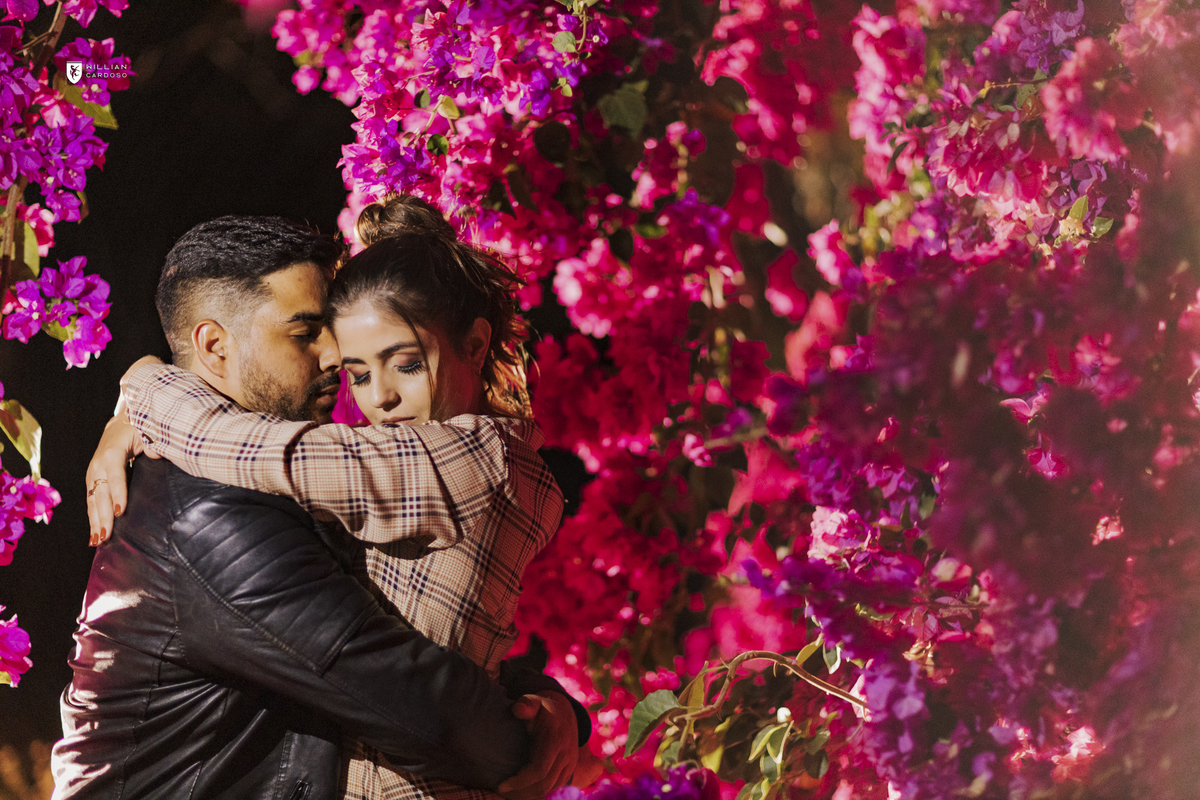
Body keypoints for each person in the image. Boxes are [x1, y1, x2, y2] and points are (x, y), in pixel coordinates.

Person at [54, 215, 586, 799]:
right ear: (213, 345)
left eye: (401, 360)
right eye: (306, 332)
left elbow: (411, 625)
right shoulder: (210, 515)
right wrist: (538, 738)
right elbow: (415, 701)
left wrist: (140, 389)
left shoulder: (316, 480)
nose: (335, 357)